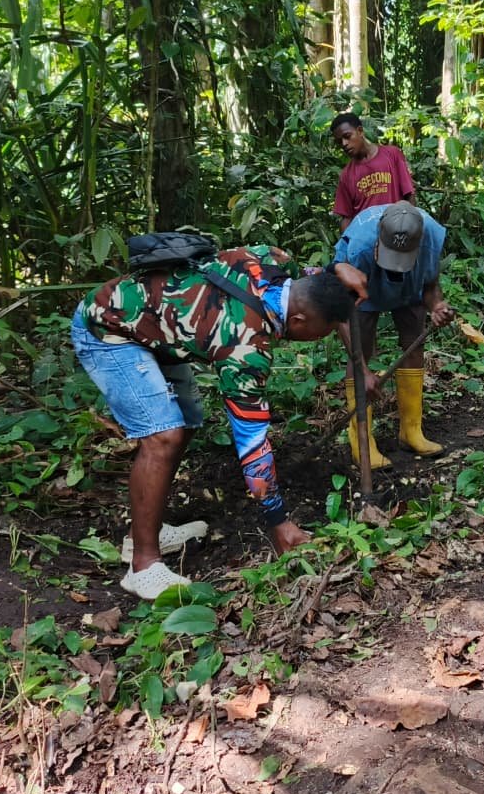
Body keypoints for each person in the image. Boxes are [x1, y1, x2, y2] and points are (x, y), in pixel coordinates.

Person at [72, 246, 353, 599]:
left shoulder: (274, 262)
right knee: (163, 436)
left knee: (187, 421)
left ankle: (145, 530)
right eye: (322, 332)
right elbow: (252, 441)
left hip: (157, 328)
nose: (320, 338)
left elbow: (310, 278)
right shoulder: (246, 346)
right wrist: (278, 520)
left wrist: (334, 272)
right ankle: (142, 565)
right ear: (297, 320)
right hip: (107, 329)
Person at [332, 202, 456, 468]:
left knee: (414, 340)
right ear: (379, 238)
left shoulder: (430, 236)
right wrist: (363, 370)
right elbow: (342, 313)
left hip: (409, 287)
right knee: (361, 344)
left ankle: (411, 432)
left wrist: (437, 306)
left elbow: (430, 286)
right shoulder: (359, 248)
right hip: (365, 283)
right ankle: (362, 443)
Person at [332, 112, 417, 232]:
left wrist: (409, 229)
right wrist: (348, 242)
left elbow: (409, 194)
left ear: (360, 131)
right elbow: (346, 217)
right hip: (366, 238)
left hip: (396, 231)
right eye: (339, 141)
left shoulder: (392, 155)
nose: (344, 144)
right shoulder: (346, 175)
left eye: (347, 136)